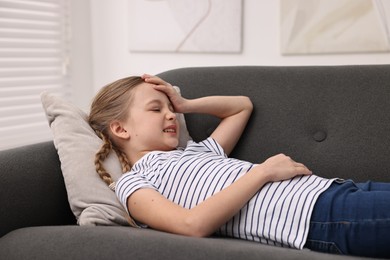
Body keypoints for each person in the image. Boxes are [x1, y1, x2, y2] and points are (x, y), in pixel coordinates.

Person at [88, 74, 390, 258]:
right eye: (156, 109)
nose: (170, 115)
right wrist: (263, 172)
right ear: (120, 129)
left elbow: (242, 106)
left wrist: (185, 104)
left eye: (170, 109)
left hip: (332, 189)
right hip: (316, 219)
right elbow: (191, 225)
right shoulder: (133, 182)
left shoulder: (196, 151)